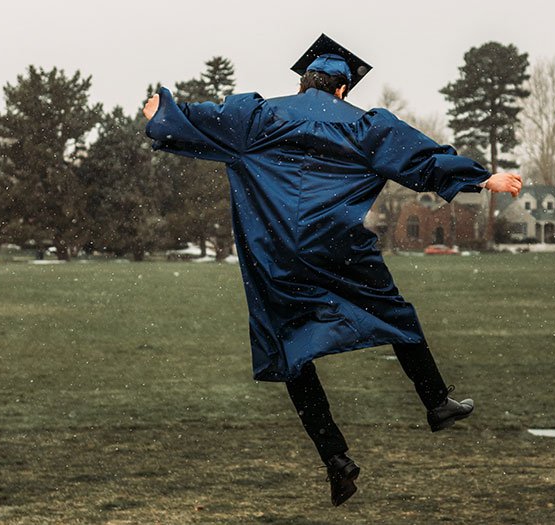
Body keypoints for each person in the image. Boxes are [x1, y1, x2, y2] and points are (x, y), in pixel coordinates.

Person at [143, 34, 522, 506]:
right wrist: (482, 178)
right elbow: (421, 159)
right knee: (395, 315)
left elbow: (194, 119)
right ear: (342, 89)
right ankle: (436, 402)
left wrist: (160, 115)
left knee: (290, 351)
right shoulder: (365, 127)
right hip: (336, 249)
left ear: (305, 85)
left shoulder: (256, 117)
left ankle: (335, 458)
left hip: (275, 255)